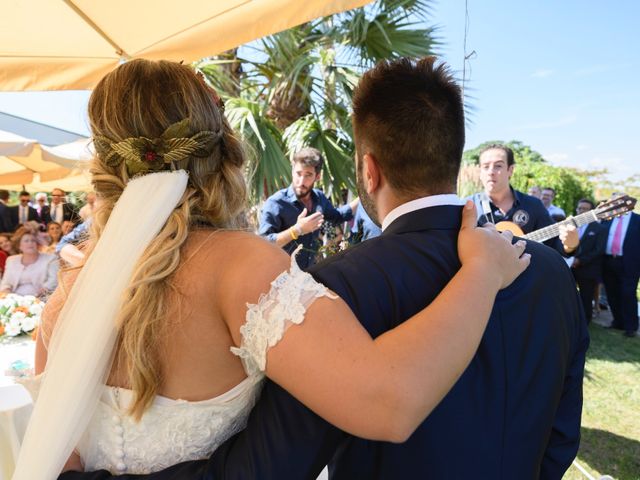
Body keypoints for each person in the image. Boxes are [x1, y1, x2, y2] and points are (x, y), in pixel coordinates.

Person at [59, 58, 586, 480]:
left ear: (368, 167)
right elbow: (562, 427)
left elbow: (286, 460)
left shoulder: (68, 292)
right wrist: (479, 275)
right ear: (457, 156)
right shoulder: (548, 270)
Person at [469, 144, 579, 256]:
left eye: (498, 166)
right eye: (486, 166)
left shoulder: (533, 205)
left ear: (510, 170)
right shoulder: (467, 206)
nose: (491, 172)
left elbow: (555, 244)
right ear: (480, 172)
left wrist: (570, 245)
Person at [258, 147, 359, 269]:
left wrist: (362, 199)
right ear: (292, 171)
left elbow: (338, 216)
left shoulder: (319, 198)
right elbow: (264, 243)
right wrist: (297, 230)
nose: (301, 181)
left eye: (308, 175)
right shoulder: (276, 203)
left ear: (317, 177)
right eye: (298, 174)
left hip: (308, 274)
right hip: (281, 277)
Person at [601, 202, 640, 337]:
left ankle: (631, 327)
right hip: (608, 261)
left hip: (629, 263)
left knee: (628, 294)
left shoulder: (637, 220)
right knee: (612, 293)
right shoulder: (607, 219)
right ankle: (618, 322)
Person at [570, 199, 607, 323]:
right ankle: (569, 318)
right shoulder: (569, 226)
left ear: (591, 211)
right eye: (579, 208)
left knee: (586, 297)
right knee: (568, 294)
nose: (581, 211)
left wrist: (580, 260)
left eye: (585, 209)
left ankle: (585, 321)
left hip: (587, 269)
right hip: (569, 267)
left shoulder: (599, 228)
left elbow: (598, 250)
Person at [0, 225, 59, 297]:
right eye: (26, 241)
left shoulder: (50, 259)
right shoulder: (11, 260)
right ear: (19, 245)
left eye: (33, 240)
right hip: (14, 299)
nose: (30, 243)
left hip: (41, 298)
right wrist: (7, 294)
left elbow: (53, 281)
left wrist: (41, 293)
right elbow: (6, 283)